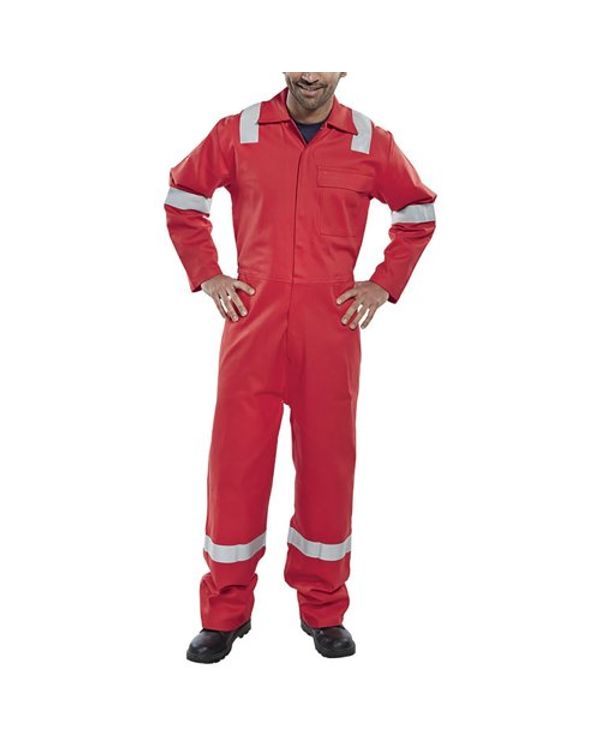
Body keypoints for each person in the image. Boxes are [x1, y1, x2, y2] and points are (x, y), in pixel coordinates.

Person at [164, 72, 437, 662]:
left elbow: (417, 210)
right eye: (300, 61)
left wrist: (383, 283)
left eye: (324, 63)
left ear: (343, 69)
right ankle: (225, 612)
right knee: (234, 466)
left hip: (331, 326)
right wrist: (207, 273)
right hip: (252, 319)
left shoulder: (369, 140)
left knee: (327, 469)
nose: (311, 75)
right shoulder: (240, 131)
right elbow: (184, 195)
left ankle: (324, 609)